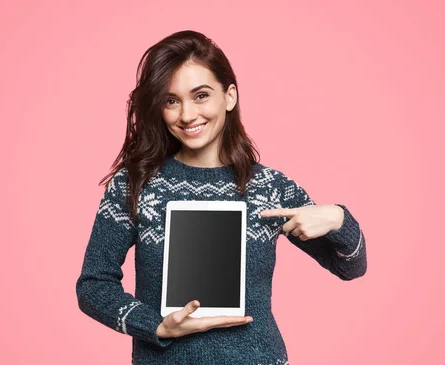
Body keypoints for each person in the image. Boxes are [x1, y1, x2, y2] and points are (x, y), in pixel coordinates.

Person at [75, 29, 367, 365]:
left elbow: (351, 268)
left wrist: (339, 220)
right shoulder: (136, 185)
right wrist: (155, 325)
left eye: (201, 95)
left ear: (229, 96)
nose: (187, 115)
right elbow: (93, 286)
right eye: (171, 100)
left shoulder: (270, 187)